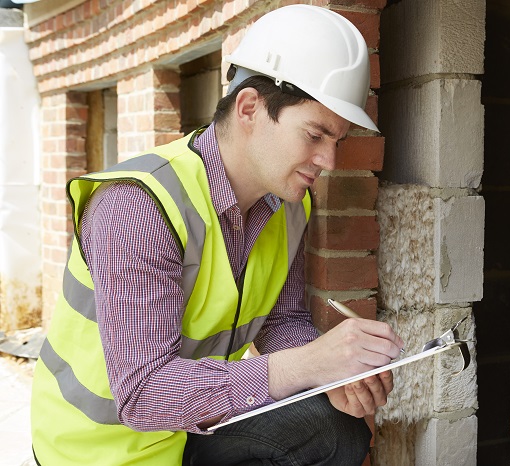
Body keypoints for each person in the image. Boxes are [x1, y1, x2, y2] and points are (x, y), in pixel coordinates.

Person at [30, 5, 404, 465]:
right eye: (315, 134)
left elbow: (280, 321)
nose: (328, 160)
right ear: (249, 107)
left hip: (189, 430)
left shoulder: (288, 206)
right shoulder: (138, 207)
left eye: (337, 141)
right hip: (96, 450)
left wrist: (330, 379)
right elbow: (144, 395)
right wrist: (308, 365)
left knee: (334, 430)